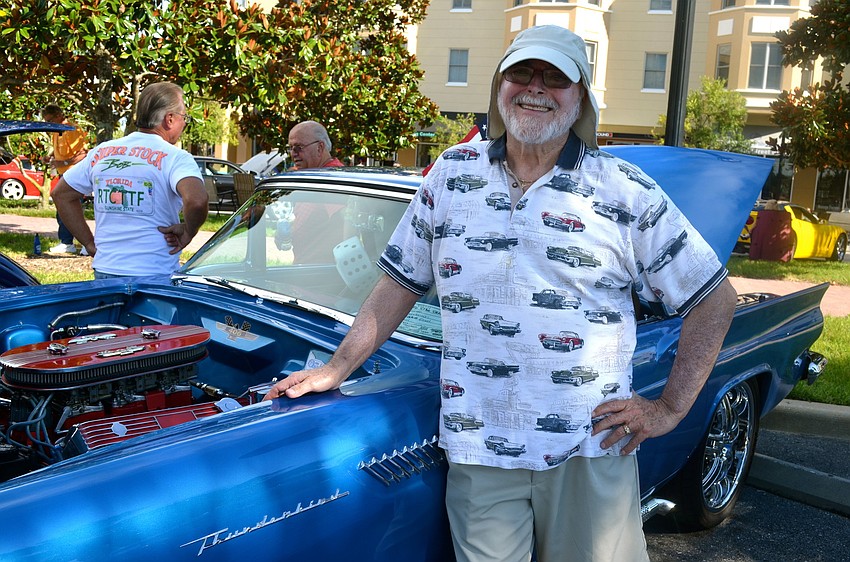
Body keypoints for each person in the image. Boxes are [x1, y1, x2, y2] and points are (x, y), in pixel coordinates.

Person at [264, 25, 737, 562]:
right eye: (521, 72)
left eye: (555, 76)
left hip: (589, 449)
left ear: (579, 94)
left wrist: (669, 408)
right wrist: (336, 368)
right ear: (498, 86)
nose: (535, 87)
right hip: (478, 448)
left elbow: (715, 298)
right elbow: (396, 283)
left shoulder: (624, 190)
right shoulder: (450, 174)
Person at [52, 82, 208, 278]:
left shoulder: (102, 152)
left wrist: (89, 244)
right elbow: (197, 200)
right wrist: (188, 231)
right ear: (169, 119)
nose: (184, 123)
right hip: (154, 273)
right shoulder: (176, 157)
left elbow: (61, 194)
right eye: (183, 117)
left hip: (106, 270)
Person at [41, 104, 89, 255]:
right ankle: (67, 242)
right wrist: (51, 158)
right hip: (64, 174)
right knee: (62, 208)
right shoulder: (57, 132)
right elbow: (62, 154)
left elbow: (83, 154)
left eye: (49, 120)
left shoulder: (71, 130)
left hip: (75, 174)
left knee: (72, 209)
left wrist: (64, 162)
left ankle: (85, 243)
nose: (48, 125)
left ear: (58, 115)